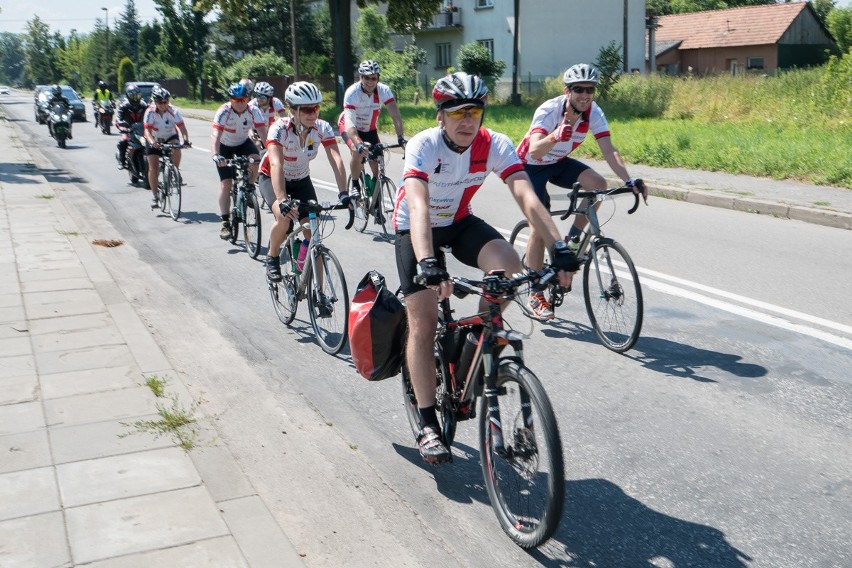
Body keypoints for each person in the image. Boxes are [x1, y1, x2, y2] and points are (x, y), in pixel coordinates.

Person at [396, 72, 578, 465]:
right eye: (457, 111)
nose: (467, 120)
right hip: (415, 229)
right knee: (424, 324)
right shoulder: (423, 144)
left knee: (509, 266)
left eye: (474, 111)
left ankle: (477, 338)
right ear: (440, 115)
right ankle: (427, 423)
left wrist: (559, 248)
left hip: (460, 222)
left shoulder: (494, 143)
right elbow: (418, 206)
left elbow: (526, 195)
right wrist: (429, 262)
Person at [515, 63, 647, 320]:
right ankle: (535, 291)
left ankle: (573, 238)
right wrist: (556, 135)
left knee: (598, 185)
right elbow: (534, 150)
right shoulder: (549, 110)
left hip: (557, 162)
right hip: (529, 166)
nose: (585, 95)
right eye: (579, 90)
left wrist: (630, 180)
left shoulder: (593, 113)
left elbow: (609, 150)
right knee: (540, 227)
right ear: (567, 91)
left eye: (590, 89)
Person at [260, 81, 348, 288]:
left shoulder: (322, 128)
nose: (312, 113)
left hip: (301, 180)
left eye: (316, 108)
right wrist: (282, 199)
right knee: (283, 218)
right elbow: (276, 164)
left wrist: (344, 193)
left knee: (314, 235)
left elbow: (336, 160)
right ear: (293, 110)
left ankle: (320, 292)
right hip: (272, 178)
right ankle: (272, 258)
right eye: (307, 109)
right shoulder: (279, 129)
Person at [338, 60, 406, 199]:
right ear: (360, 78)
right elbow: (350, 123)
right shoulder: (352, 93)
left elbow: (395, 115)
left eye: (373, 78)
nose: (370, 81)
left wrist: (400, 138)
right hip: (350, 127)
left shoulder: (383, 90)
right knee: (356, 152)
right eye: (366, 77)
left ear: (378, 78)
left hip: (370, 129)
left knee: (378, 165)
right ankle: (355, 185)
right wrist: (358, 143)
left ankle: (376, 201)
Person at [212, 83, 267, 239]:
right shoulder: (224, 111)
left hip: (243, 143)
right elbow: (215, 134)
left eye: (243, 99)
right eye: (236, 100)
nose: (240, 102)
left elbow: (263, 131)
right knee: (226, 183)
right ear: (230, 100)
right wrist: (216, 154)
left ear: (248, 98)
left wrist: (270, 150)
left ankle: (249, 188)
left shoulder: (253, 110)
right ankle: (225, 223)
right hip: (224, 146)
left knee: (256, 159)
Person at [143, 86, 191, 208]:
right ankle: (154, 196)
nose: (164, 104)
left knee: (177, 146)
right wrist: (152, 142)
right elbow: (147, 132)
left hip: (170, 136)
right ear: (155, 101)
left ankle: (175, 171)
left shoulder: (174, 111)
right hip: (154, 139)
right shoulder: (149, 112)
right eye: (160, 102)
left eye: (166, 101)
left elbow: (182, 129)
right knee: (153, 168)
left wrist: (185, 140)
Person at [115, 84, 146, 170]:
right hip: (128, 130)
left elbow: (151, 114)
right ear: (128, 96)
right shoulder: (124, 106)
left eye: (137, 95)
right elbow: (118, 118)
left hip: (141, 130)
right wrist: (122, 125)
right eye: (133, 96)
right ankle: (122, 161)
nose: (135, 98)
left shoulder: (143, 105)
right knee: (123, 141)